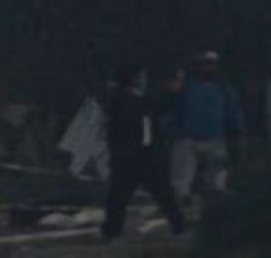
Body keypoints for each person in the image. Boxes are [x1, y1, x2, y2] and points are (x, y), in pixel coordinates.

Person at [101, 64, 185, 241]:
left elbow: (157, 108)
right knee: (121, 195)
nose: (145, 81)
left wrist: (172, 94)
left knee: (160, 192)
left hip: (142, 154)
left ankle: (178, 225)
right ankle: (111, 231)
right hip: (132, 155)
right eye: (142, 77)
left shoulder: (137, 99)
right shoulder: (124, 100)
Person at [171, 51, 243, 202]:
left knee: (217, 181)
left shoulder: (223, 88)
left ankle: (215, 208)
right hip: (187, 138)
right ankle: (180, 206)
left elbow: (232, 112)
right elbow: (175, 110)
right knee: (181, 180)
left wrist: (236, 132)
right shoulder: (186, 87)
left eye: (211, 64)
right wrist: (174, 132)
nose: (208, 67)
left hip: (215, 138)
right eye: (205, 64)